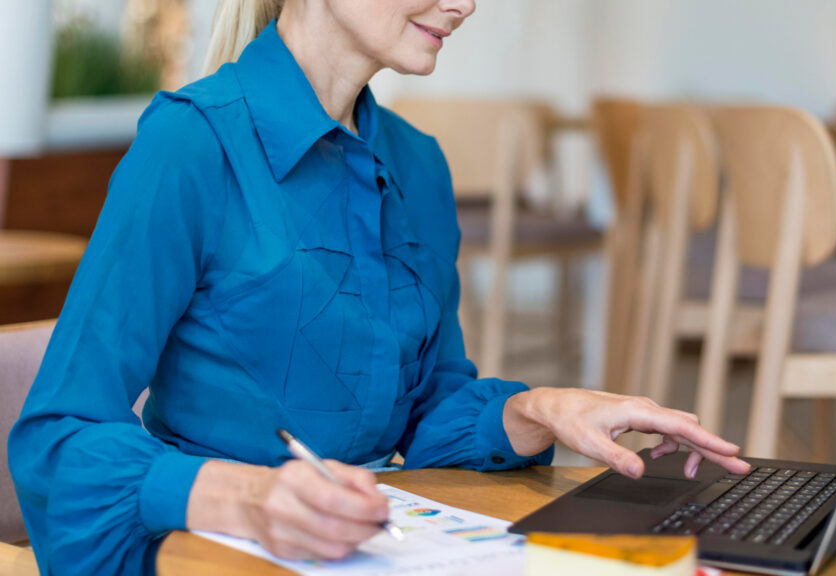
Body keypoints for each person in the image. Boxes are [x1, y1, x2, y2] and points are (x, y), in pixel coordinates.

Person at [7, 1, 750, 574]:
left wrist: (536, 410)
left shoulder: (418, 164)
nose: (464, 4)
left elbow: (424, 411)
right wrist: (246, 496)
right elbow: (58, 439)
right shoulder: (189, 146)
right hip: (219, 556)